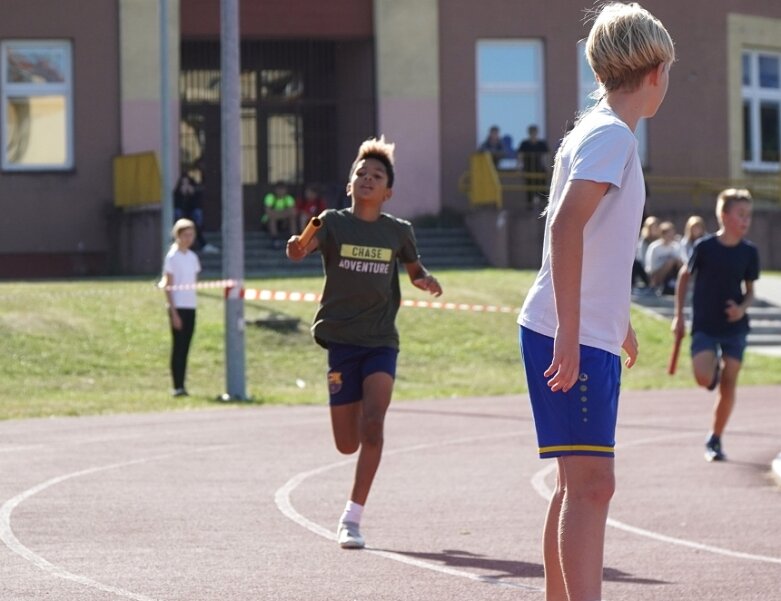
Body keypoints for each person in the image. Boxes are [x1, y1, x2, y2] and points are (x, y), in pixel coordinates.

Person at [517, 4, 674, 600]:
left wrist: (618, 320)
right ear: (655, 70)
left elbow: (597, 240)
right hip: (570, 333)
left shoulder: (599, 129)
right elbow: (563, 227)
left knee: (576, 484)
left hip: (583, 328)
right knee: (591, 486)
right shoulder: (611, 136)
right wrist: (571, 330)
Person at [286, 136, 442, 550]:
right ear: (350, 183)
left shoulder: (399, 231)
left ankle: (352, 517)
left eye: (377, 176)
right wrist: (296, 249)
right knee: (346, 443)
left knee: (374, 426)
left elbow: (413, 269)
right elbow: (302, 247)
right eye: (361, 173)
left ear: (388, 191)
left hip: (379, 341)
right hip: (341, 341)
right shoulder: (331, 222)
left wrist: (425, 279)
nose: (367, 179)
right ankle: (349, 407)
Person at [672, 189, 759, 463]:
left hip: (735, 327)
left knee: (730, 383)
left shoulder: (749, 252)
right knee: (702, 377)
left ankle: (715, 438)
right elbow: (684, 276)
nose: (745, 221)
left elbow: (750, 291)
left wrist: (741, 309)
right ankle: (714, 375)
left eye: (749, 216)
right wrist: (679, 315)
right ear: (723, 215)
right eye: (740, 214)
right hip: (706, 324)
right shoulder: (705, 248)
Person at [161, 218, 202, 397]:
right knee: (178, 347)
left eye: (191, 235)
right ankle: (177, 385)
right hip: (178, 307)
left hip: (190, 306)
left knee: (186, 347)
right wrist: (173, 311)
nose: (188, 238)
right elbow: (169, 286)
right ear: (178, 236)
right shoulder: (172, 257)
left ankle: (183, 384)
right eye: (185, 235)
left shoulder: (193, 257)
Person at [173, 175, 219, 254]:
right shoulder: (177, 193)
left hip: (191, 216)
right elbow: (177, 206)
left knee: (195, 221)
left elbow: (196, 205)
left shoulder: (194, 193)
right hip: (180, 217)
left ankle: (203, 244)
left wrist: (191, 195)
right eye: (183, 183)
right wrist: (182, 195)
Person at [645, 221, 683, 294]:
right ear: (663, 234)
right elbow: (650, 268)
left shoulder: (676, 246)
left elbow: (680, 262)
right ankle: (657, 286)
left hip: (671, 274)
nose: (672, 236)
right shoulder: (654, 247)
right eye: (669, 234)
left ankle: (677, 284)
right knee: (670, 262)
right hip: (656, 275)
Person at [517, 125, 550, 207]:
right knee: (530, 189)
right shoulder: (524, 144)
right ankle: (530, 206)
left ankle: (542, 207)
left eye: (534, 132)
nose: (533, 134)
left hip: (540, 170)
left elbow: (546, 156)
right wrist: (520, 167)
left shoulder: (541, 144)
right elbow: (520, 156)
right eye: (531, 132)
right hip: (529, 170)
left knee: (542, 189)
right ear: (529, 133)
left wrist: (547, 167)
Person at [263, 182, 297, 248]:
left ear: (286, 190)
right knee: (272, 218)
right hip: (268, 223)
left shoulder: (288, 198)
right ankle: (275, 240)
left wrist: (277, 214)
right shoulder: (270, 197)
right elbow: (268, 212)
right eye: (279, 189)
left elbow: (293, 212)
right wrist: (284, 213)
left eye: (282, 189)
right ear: (275, 190)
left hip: (284, 222)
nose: (281, 191)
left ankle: (293, 239)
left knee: (292, 218)